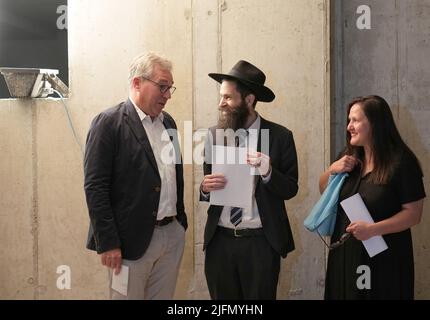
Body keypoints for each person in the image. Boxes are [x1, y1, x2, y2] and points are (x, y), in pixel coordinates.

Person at [84, 52, 187, 300]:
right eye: (162, 86)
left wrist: (180, 226)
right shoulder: (108, 123)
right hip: (129, 242)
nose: (168, 95)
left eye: (170, 88)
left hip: (171, 235)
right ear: (137, 83)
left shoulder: (168, 123)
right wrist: (107, 242)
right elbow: (95, 187)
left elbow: (172, 174)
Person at [200, 60, 299, 299]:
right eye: (221, 97)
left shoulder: (280, 136)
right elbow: (208, 183)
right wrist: (204, 188)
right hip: (220, 243)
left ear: (249, 100)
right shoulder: (214, 135)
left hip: (260, 245)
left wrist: (269, 173)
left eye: (227, 98)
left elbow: (291, 188)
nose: (220, 104)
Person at [319, 95, 426, 300]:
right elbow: (324, 188)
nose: (349, 126)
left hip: (383, 258)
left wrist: (373, 229)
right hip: (345, 253)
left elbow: (414, 214)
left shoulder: (402, 162)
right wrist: (332, 170)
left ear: (376, 124)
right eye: (349, 120)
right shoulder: (349, 156)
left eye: (356, 120)